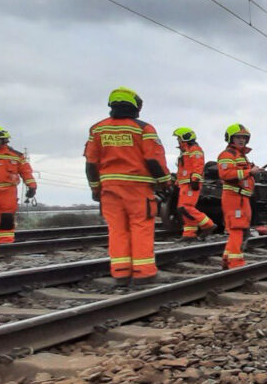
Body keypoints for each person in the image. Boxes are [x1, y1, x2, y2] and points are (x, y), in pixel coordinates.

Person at [84, 88, 171, 283]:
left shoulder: (97, 129)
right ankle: (144, 272)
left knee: (117, 229)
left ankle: (121, 271)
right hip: (137, 189)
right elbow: (154, 160)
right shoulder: (143, 129)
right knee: (140, 227)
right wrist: (165, 182)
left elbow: (91, 163)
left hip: (109, 188)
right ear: (135, 106)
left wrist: (95, 188)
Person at [218, 123, 259, 269]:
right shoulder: (227, 155)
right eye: (238, 137)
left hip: (242, 197)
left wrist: (251, 171)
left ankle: (227, 258)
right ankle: (236, 264)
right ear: (230, 138)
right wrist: (250, 172)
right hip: (234, 197)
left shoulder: (241, 156)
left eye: (244, 137)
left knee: (240, 228)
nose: (242, 140)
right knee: (237, 228)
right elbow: (226, 174)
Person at [172, 127, 215, 240]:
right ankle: (189, 234)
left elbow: (198, 165)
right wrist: (178, 181)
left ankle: (208, 225)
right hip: (185, 183)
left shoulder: (194, 149)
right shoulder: (185, 151)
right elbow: (183, 169)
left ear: (185, 138)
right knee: (183, 209)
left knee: (185, 207)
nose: (178, 141)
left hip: (191, 183)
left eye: (179, 138)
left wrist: (195, 179)